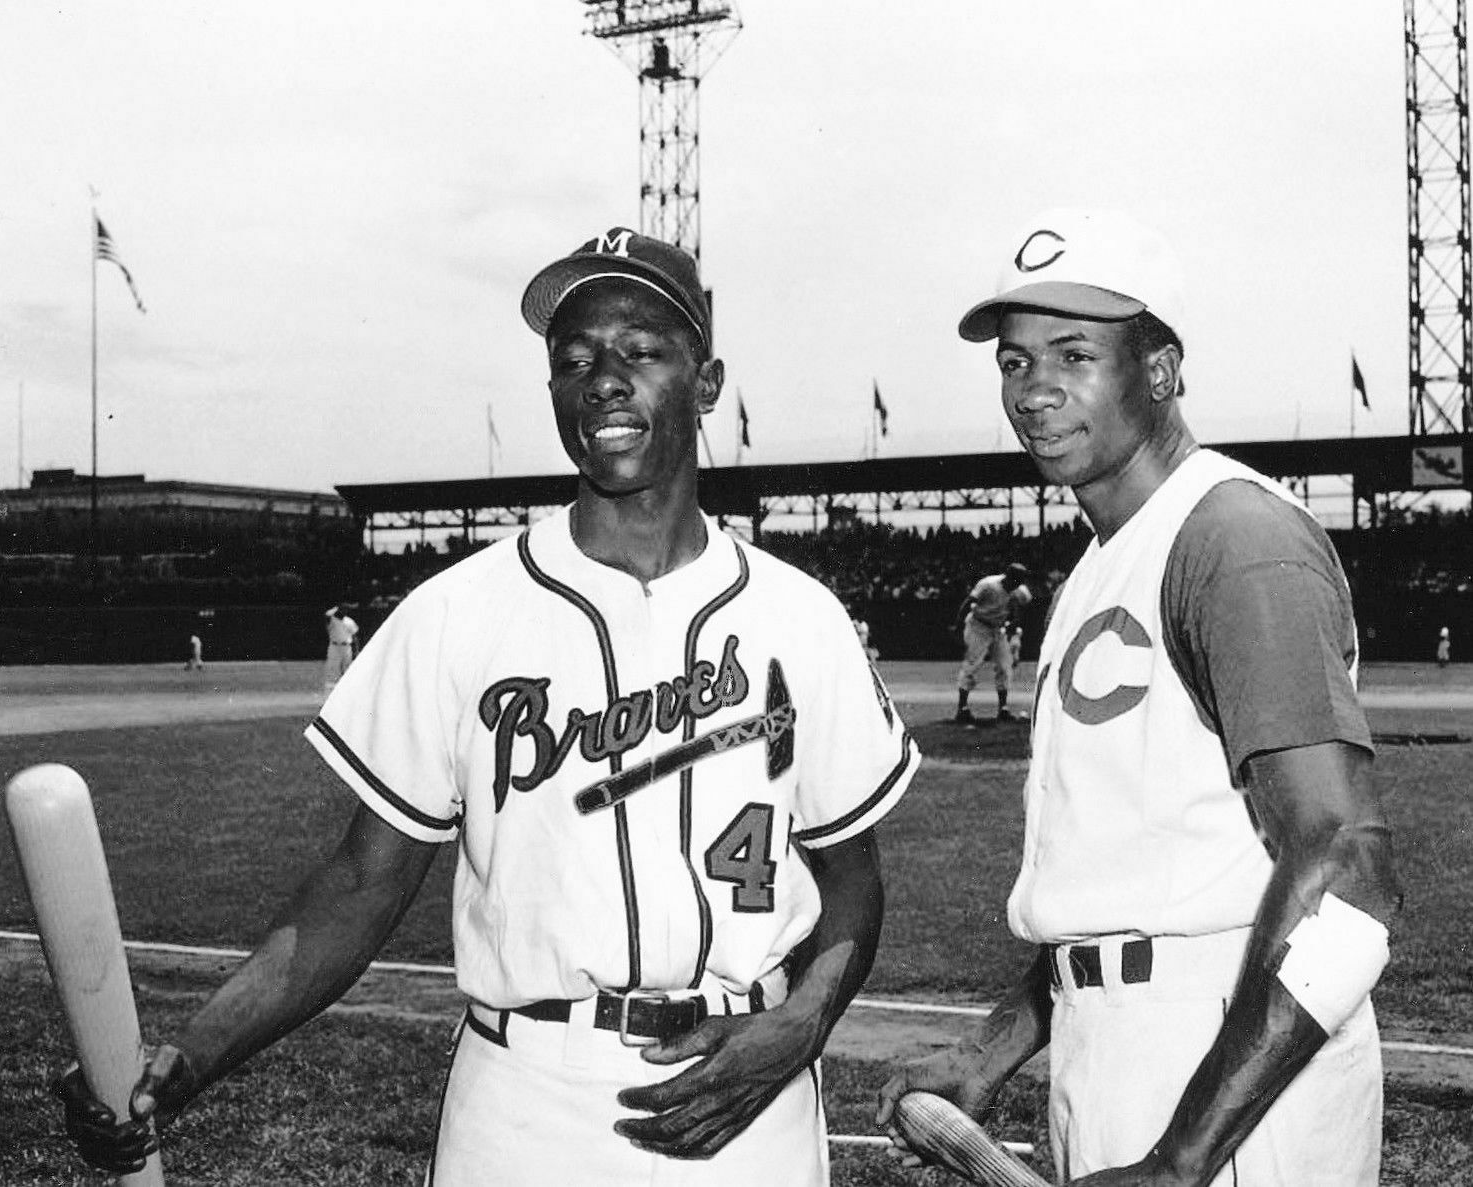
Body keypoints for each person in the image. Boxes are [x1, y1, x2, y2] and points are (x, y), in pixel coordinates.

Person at [55, 226, 921, 1187]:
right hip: (524, 1096)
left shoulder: (799, 616)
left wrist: (801, 1024)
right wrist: (193, 1055)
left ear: (705, 382)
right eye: (575, 360)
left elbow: (851, 879)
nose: (603, 379)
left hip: (741, 1095)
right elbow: (358, 887)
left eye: (640, 351)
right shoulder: (457, 612)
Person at [878, 208, 1401, 1185]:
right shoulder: (1104, 561)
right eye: (1016, 361)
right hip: (1117, 1045)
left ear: (1158, 370)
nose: (1036, 391)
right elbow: (1131, 877)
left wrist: (1180, 1157)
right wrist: (991, 1049)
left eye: (1074, 354)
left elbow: (1346, 872)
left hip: (1227, 1071)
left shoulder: (1233, 537)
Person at [951, 562, 1031, 723]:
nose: (1018, 584)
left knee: (1004, 666)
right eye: (1016, 580)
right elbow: (968, 604)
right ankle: (962, 709)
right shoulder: (988, 585)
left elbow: (1019, 607)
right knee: (972, 664)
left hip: (997, 629)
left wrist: (1013, 623)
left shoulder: (1019, 590)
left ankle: (1003, 709)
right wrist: (958, 628)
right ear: (1008, 577)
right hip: (978, 626)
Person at [321, 604, 359, 690]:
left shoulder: (349, 621)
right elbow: (326, 615)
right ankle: (332, 690)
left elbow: (355, 637)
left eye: (345, 610)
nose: (343, 611)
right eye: (341, 609)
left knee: (347, 668)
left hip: (346, 647)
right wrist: (335, 609)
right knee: (333, 668)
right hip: (334, 646)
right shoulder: (332, 620)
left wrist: (356, 651)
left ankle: (347, 688)